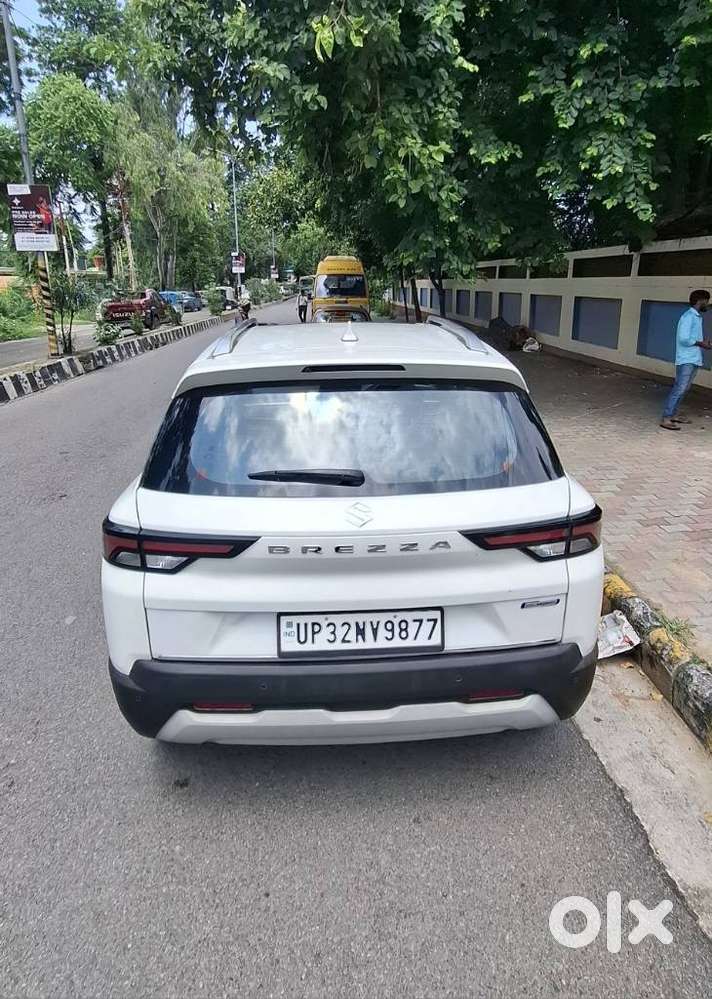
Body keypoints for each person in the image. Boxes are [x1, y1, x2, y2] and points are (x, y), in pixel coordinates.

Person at [660, 289, 711, 430]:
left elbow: (692, 339)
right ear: (700, 301)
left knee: (684, 388)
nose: (708, 304)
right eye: (707, 301)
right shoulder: (688, 317)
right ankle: (666, 418)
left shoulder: (696, 317)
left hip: (693, 358)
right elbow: (684, 339)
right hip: (686, 359)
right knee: (680, 388)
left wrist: (703, 344)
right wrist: (701, 343)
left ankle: (673, 414)